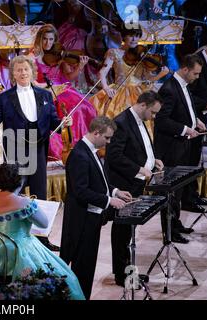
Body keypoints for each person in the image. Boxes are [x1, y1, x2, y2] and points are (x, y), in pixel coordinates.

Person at [0, 163, 85, 299]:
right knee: (64, 276)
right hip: (16, 252)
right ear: (19, 181)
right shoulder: (24, 204)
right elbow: (44, 224)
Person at [60, 116, 132, 299]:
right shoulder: (79, 155)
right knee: (82, 267)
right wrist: (109, 201)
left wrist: (115, 191)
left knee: (87, 265)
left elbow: (97, 179)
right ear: (96, 132)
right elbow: (81, 191)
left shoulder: (90, 151)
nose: (108, 142)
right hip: (80, 221)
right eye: (106, 138)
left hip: (90, 218)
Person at [0, 55, 71, 200]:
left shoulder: (45, 95)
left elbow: (53, 122)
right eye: (19, 70)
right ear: (13, 73)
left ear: (32, 71)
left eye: (26, 69)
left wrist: (63, 123)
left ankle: (38, 219)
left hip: (38, 146)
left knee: (39, 190)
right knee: (15, 189)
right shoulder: (4, 98)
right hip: (15, 147)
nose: (23, 73)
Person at [105, 91, 164, 286]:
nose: (153, 117)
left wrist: (152, 159)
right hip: (125, 184)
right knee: (122, 231)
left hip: (136, 182)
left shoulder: (138, 120)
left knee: (128, 231)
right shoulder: (121, 122)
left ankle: (128, 270)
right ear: (144, 105)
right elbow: (114, 156)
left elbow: (139, 147)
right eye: (153, 113)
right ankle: (122, 275)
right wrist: (138, 168)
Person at [154, 54, 206, 244]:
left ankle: (175, 224)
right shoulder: (169, 89)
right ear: (185, 69)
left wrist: (196, 121)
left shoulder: (183, 86)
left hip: (183, 145)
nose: (197, 77)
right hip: (171, 148)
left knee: (180, 189)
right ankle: (169, 232)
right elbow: (162, 120)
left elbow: (187, 109)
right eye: (195, 73)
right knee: (171, 192)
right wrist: (185, 129)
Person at [30, 24, 97, 161]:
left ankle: (82, 146)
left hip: (64, 90)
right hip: (45, 92)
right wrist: (48, 86)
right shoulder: (32, 57)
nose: (48, 43)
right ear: (39, 39)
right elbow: (32, 82)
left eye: (51, 39)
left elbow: (68, 77)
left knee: (84, 107)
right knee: (67, 111)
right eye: (45, 39)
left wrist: (80, 66)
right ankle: (66, 147)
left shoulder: (58, 54)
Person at [89, 24, 169, 121]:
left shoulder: (142, 55)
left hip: (138, 93)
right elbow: (102, 72)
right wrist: (106, 88)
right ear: (124, 36)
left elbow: (148, 78)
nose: (134, 39)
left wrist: (161, 75)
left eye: (137, 36)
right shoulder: (114, 52)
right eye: (131, 35)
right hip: (119, 91)